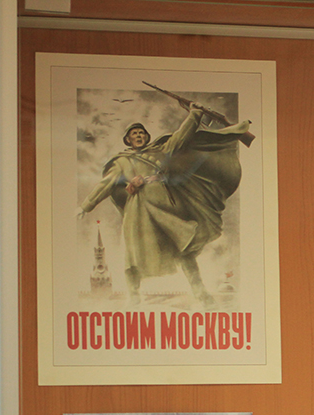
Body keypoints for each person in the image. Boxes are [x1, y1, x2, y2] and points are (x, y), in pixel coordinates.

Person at [76, 101, 250, 308]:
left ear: (147, 136)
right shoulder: (121, 162)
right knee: (132, 256)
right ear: (128, 140)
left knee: (184, 248)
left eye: (142, 133)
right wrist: (85, 206)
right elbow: (106, 184)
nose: (139, 136)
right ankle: (134, 298)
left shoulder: (161, 150)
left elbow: (180, 138)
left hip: (167, 208)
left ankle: (202, 294)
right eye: (134, 134)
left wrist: (194, 114)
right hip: (138, 212)